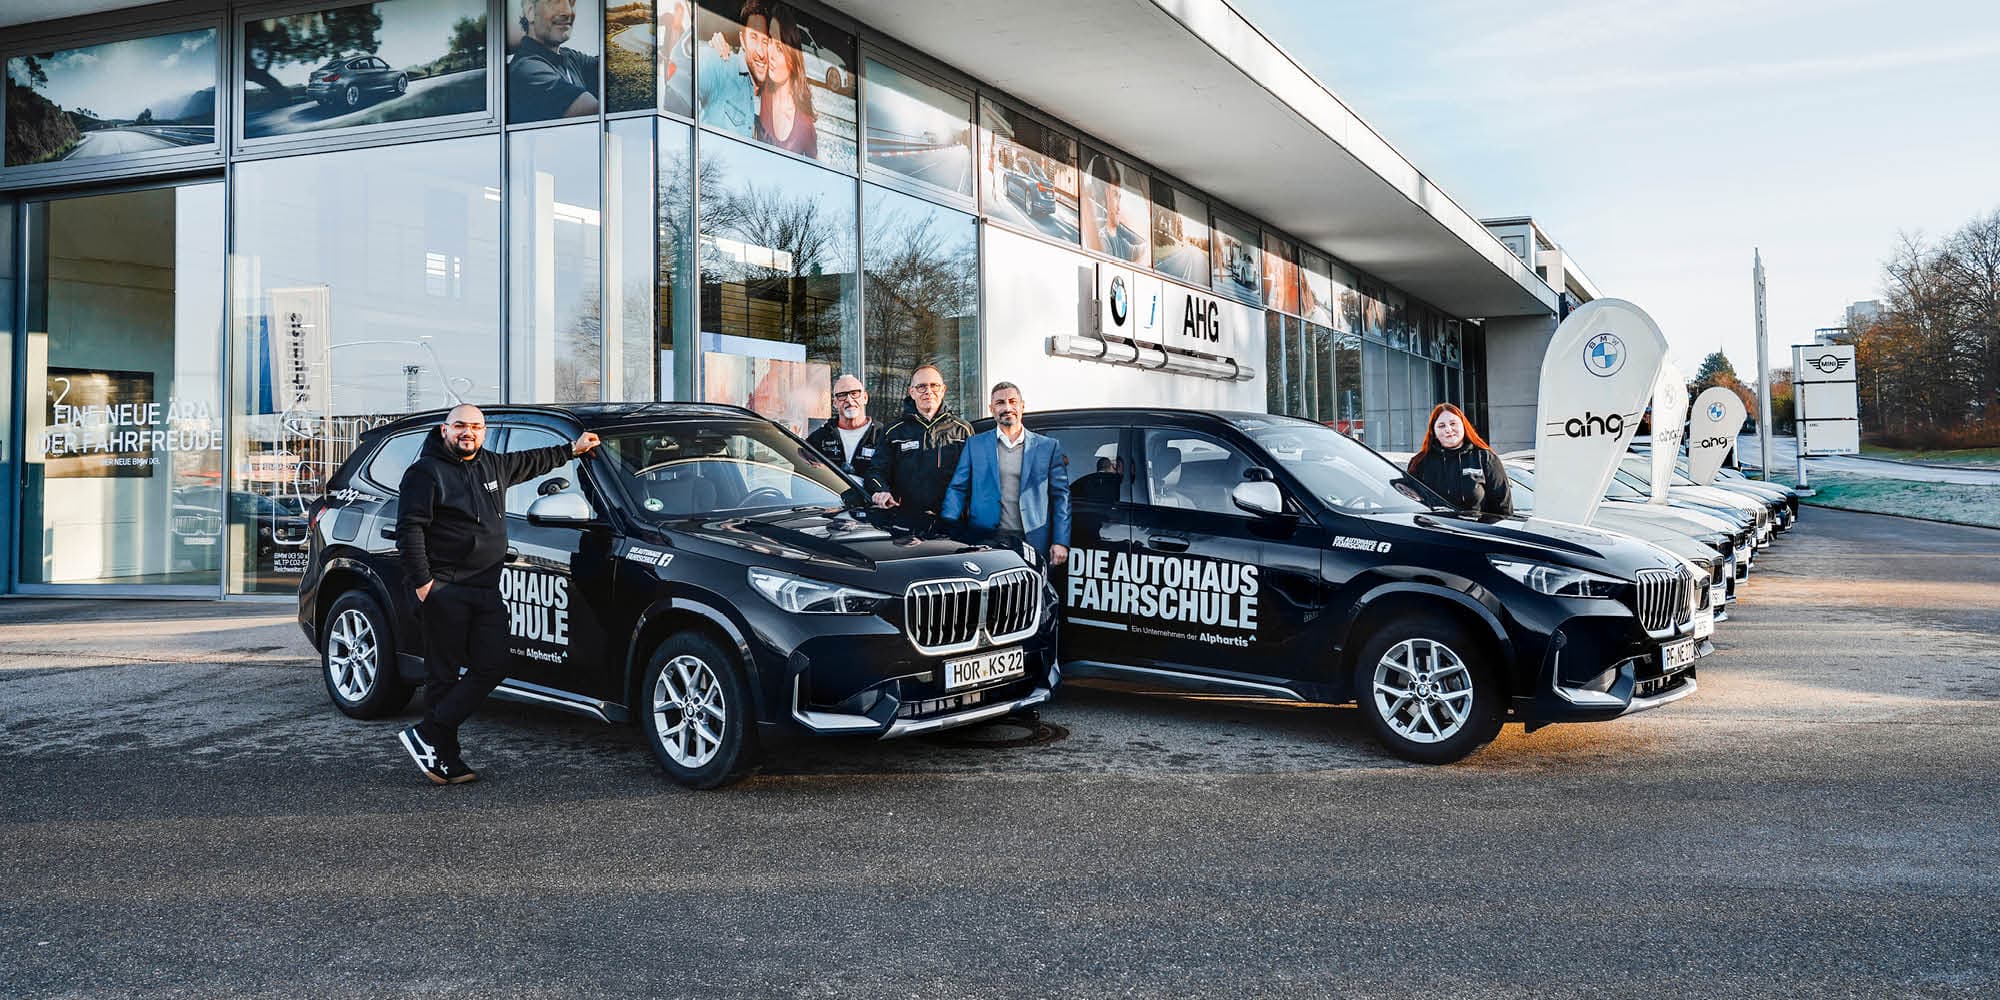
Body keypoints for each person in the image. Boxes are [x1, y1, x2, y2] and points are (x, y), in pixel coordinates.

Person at [395, 404, 602, 784]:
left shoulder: (493, 465)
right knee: (442, 676)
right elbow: (409, 530)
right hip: (445, 587)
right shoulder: (425, 473)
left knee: (494, 664)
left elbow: (531, 461)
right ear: (445, 430)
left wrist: (571, 450)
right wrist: (425, 584)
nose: (468, 432)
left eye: (476, 426)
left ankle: (428, 733)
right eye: (460, 425)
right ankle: (443, 759)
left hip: (486, 586)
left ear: (483, 432)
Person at [941, 382, 1071, 567]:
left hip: (1032, 539)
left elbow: (1061, 497)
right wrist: (948, 528)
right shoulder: (975, 445)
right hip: (985, 539)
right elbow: (958, 488)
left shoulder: (1048, 447)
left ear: (1022, 406)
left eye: (1012, 401)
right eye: (1000, 403)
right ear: (992, 409)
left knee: (1032, 586)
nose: (1007, 408)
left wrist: (1060, 541)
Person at [870, 364, 971, 524]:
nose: (928, 391)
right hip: (905, 521)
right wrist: (881, 490)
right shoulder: (893, 432)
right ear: (912, 392)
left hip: (954, 521)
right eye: (921, 386)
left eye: (934, 385)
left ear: (943, 389)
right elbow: (876, 471)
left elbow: (975, 477)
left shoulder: (962, 430)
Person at [1405, 402, 1511, 516]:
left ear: (1464, 426)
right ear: (1433, 432)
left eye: (1453, 423)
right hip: (1433, 526)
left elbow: (1503, 508)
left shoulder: (1485, 458)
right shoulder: (1420, 462)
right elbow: (1409, 502)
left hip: (1475, 527)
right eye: (1441, 426)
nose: (1448, 429)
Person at [508, 0, 602, 122]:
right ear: (530, 11)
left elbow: (611, 67)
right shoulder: (526, 69)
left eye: (571, 2)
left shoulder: (569, 56)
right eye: (555, 2)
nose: (568, 11)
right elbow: (593, 111)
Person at [695, 0, 769, 137]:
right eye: (754, 38)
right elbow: (684, 84)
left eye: (765, 42)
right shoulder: (722, 63)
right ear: (743, 40)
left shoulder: (771, 95)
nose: (761, 52)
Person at [752, 4, 818, 157]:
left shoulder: (805, 125)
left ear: (793, 60)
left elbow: (815, 167)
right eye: (770, 40)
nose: (771, 54)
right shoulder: (760, 89)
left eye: (780, 48)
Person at [805, 373, 881, 481]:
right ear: (835, 403)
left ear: (865, 398)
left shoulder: (883, 436)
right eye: (842, 395)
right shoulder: (819, 438)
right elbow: (805, 475)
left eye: (854, 393)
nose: (849, 400)